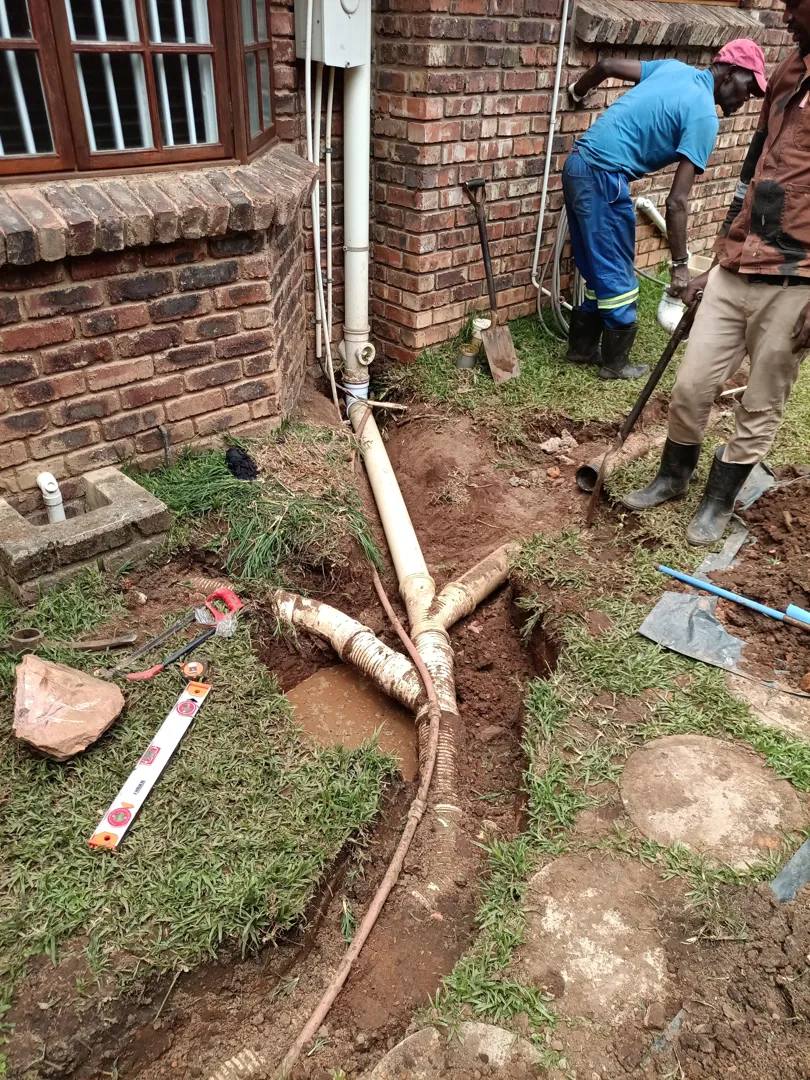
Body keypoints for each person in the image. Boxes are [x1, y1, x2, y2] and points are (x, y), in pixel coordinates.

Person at [624, 0, 810, 544]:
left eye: (794, 6)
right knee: (691, 384)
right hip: (738, 266)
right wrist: (724, 252)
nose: (785, 17)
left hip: (797, 280)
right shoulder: (790, 70)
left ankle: (717, 501)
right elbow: (754, 168)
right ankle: (673, 477)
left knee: (760, 400)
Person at [563, 40, 767, 380]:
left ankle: (582, 349)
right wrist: (681, 266)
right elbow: (676, 202)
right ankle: (615, 364)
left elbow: (607, 66)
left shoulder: (674, 69)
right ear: (730, 73)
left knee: (598, 269)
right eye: (749, 87)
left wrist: (577, 91)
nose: (749, 98)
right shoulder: (704, 116)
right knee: (617, 272)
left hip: (578, 166)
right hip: (603, 177)